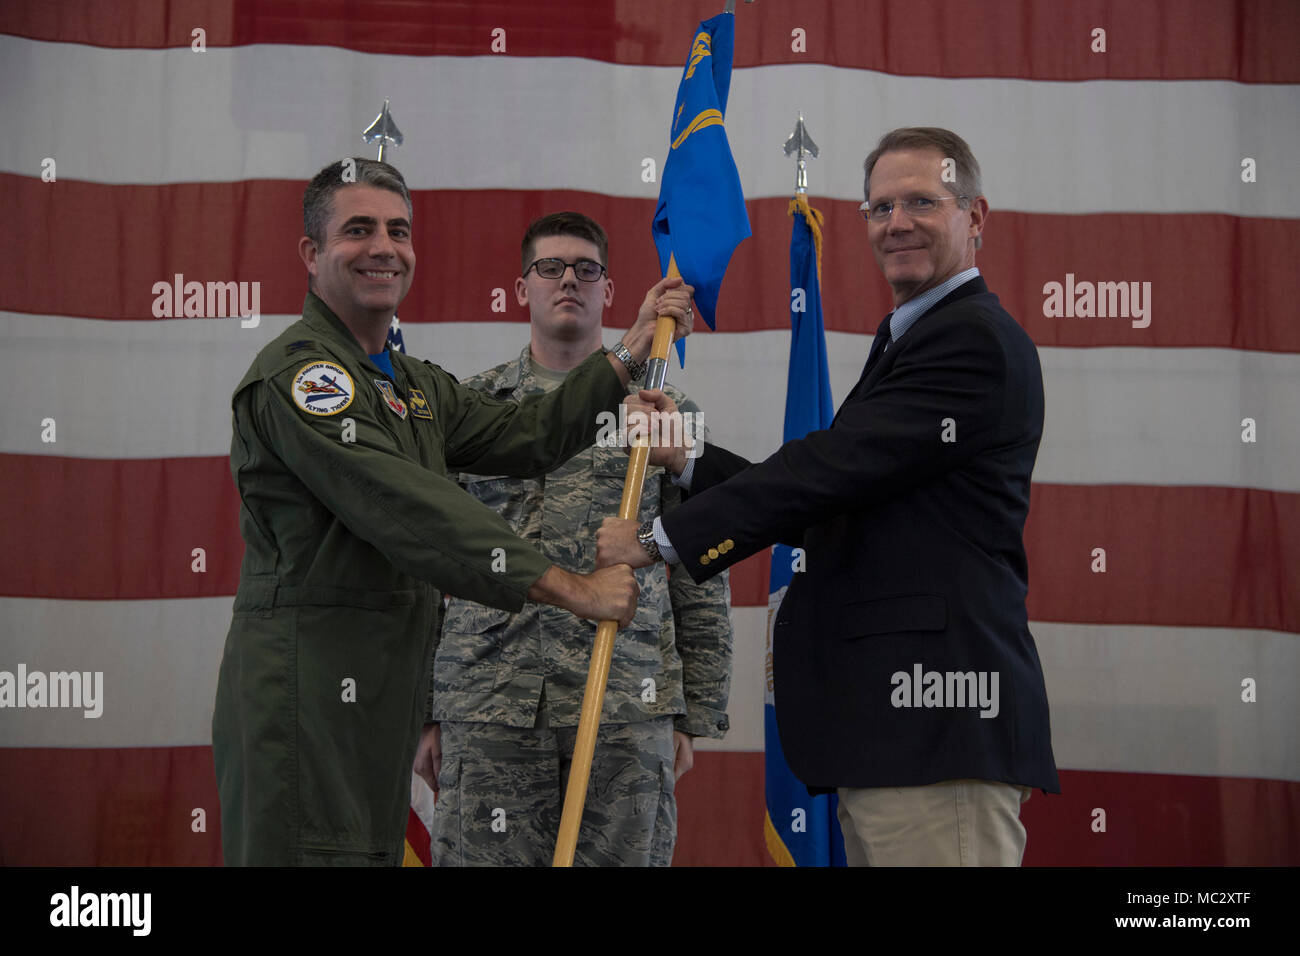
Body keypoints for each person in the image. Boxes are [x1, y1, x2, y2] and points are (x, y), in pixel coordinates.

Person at [598, 128, 1059, 866]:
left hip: (935, 731)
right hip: (896, 738)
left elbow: (828, 471)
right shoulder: (914, 338)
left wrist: (659, 542)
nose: (897, 222)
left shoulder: (970, 340)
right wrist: (689, 460)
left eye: (921, 202)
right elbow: (843, 499)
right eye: (879, 208)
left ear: (976, 217)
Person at [211, 159, 693, 866]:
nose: (384, 246)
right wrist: (574, 588)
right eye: (358, 230)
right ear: (312, 255)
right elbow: (414, 508)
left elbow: (525, 435)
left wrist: (628, 346)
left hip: (382, 693)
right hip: (309, 694)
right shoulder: (304, 378)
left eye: (398, 230)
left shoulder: (409, 386)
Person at [412, 212, 733, 867]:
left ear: (609, 292)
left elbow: (701, 561)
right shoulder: (471, 410)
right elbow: (427, 561)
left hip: (623, 699)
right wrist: (425, 707)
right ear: (521, 286)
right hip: (487, 700)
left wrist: (692, 711)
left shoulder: (667, 414)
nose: (568, 281)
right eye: (550, 268)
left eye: (586, 270)